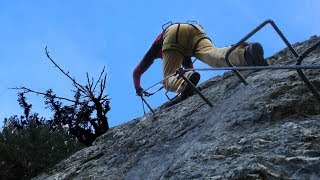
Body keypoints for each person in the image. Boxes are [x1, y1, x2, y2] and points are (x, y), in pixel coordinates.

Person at [133, 22, 268, 101]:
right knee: (213, 55)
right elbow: (190, 70)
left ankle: (182, 81)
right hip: (194, 28)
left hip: (172, 33)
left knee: (168, 80)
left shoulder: (154, 50)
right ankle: (245, 54)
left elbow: (137, 72)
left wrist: (138, 88)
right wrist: (190, 77)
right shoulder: (183, 56)